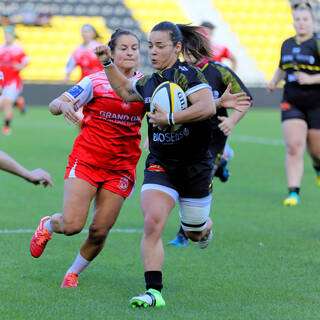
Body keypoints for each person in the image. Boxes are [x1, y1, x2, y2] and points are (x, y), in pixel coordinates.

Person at [94, 21, 247, 308]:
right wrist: (107, 63)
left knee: (194, 230)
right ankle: (154, 292)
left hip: (196, 168)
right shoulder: (150, 80)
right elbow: (126, 92)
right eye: (150, 45)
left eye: (160, 46)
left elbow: (206, 106)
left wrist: (171, 119)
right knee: (152, 221)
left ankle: (205, 229)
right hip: (161, 164)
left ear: (177, 47)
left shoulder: (190, 74)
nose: (152, 51)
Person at [29, 29, 145, 289]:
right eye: (123, 48)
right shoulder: (96, 81)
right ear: (112, 53)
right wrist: (65, 105)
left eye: (134, 48)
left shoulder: (145, 85)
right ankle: (48, 224)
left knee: (99, 231)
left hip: (122, 168)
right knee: (71, 225)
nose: (129, 52)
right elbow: (54, 104)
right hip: (87, 161)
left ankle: (72, 273)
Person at [168, 28, 252, 247]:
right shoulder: (177, 72)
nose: (186, 55)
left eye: (189, 50)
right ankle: (195, 227)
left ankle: (187, 230)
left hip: (213, 137)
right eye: (183, 51)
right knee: (179, 180)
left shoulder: (219, 71)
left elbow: (245, 98)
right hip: (183, 135)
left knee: (201, 180)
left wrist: (231, 121)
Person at [268, 2, 320, 206]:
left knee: (316, 151)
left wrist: (311, 79)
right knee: (293, 147)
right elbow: (282, 67)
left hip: (316, 104)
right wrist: (274, 81)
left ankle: (317, 166)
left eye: (305, 19)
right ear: (293, 21)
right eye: (298, 19)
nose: (301, 23)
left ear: (312, 22)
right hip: (291, 102)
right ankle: (293, 192)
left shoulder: (317, 44)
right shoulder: (286, 44)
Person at [0, 26, 29, 135]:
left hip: (13, 81)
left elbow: (26, 61)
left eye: (9, 34)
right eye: (5, 34)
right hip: (2, 81)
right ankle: (18, 102)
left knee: (7, 102)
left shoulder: (17, 49)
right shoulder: (1, 48)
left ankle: (7, 127)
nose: (7, 36)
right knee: (2, 105)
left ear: (12, 35)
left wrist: (20, 66)